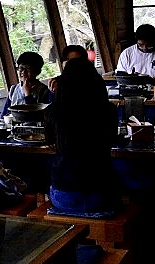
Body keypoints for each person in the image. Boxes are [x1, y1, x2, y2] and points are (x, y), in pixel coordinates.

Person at [43, 56, 122, 217]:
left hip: (62, 196)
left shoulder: (53, 112)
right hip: (99, 196)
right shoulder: (107, 110)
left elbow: (50, 143)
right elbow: (112, 140)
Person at [0, 51, 52, 119]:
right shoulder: (14, 89)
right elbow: (5, 113)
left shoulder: (44, 91)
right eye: (21, 68)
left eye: (28, 69)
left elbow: (36, 116)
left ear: (37, 71)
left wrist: (28, 94)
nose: (23, 72)